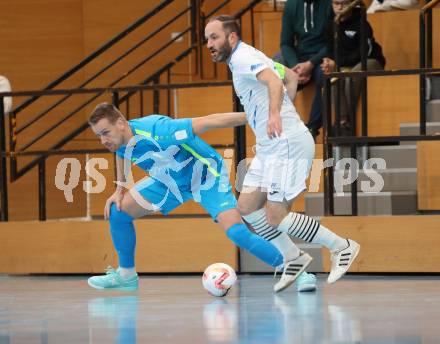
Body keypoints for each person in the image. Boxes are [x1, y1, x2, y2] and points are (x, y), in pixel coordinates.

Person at [86, 103, 317, 292]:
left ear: (121, 123)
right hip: (168, 181)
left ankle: (297, 270)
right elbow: (120, 150)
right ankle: (126, 275)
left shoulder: (159, 130)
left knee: (237, 232)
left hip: (206, 176)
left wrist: (256, 117)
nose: (103, 140)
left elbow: (208, 121)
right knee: (118, 212)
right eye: (98, 135)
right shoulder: (119, 139)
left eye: (105, 133)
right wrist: (120, 188)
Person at [205, 15, 360, 292]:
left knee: (276, 215)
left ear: (231, 37)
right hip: (270, 146)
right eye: (206, 39)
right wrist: (282, 111)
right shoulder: (248, 56)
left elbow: (275, 83)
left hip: (285, 143)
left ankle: (342, 246)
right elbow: (289, 75)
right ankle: (293, 257)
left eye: (214, 37)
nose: (209, 44)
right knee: (247, 208)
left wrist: (277, 115)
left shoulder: (243, 58)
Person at [321, 0, 386, 134]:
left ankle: (350, 120)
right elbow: (329, 50)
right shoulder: (329, 26)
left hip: (370, 61)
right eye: (336, 4)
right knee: (333, 80)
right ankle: (343, 122)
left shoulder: (361, 22)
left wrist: (340, 64)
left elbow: (365, 51)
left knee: (352, 76)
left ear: (351, 5)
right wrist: (330, 62)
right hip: (345, 65)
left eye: (344, 4)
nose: (340, 7)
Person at [277, 0, 334, 139]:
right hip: (299, 57)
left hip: (323, 54)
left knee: (325, 76)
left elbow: (333, 42)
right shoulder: (291, 5)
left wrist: (311, 64)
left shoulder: (330, 4)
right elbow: (285, 43)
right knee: (275, 72)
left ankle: (312, 128)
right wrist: (295, 67)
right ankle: (281, 129)